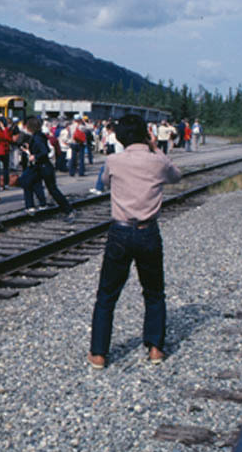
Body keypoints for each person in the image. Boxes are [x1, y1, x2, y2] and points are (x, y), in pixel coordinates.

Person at [88, 114, 181, 369]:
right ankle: (155, 349)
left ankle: (98, 354)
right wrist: (154, 147)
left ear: (119, 136)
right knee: (153, 292)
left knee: (107, 294)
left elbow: (106, 181)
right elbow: (176, 176)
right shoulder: (157, 162)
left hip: (120, 231)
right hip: (148, 231)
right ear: (145, 134)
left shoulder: (113, 160)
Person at [18, 117, 74, 219]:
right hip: (43, 166)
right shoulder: (39, 136)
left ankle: (31, 207)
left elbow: (44, 151)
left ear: (30, 127)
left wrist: (35, 156)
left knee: (45, 187)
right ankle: (67, 209)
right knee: (34, 183)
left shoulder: (37, 138)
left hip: (41, 166)